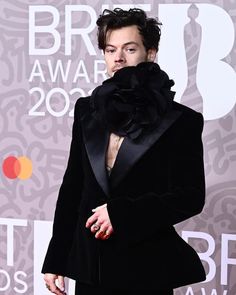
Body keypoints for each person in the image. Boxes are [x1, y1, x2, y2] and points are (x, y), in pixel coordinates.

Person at [42, 8, 206, 295]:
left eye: (129, 49)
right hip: (91, 269)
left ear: (150, 53)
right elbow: (73, 188)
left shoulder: (182, 121)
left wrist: (122, 214)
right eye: (110, 49)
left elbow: (190, 197)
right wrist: (56, 259)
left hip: (147, 270)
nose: (118, 58)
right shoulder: (86, 110)